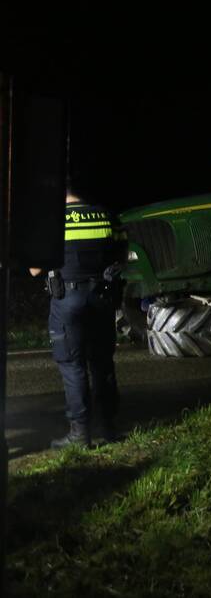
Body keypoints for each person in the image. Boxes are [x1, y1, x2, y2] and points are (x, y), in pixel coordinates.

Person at [30, 183, 122, 448]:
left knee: (73, 366)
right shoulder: (106, 215)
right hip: (102, 298)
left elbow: (35, 270)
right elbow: (122, 256)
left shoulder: (52, 222)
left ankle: (80, 434)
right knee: (103, 363)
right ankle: (109, 428)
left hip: (67, 300)